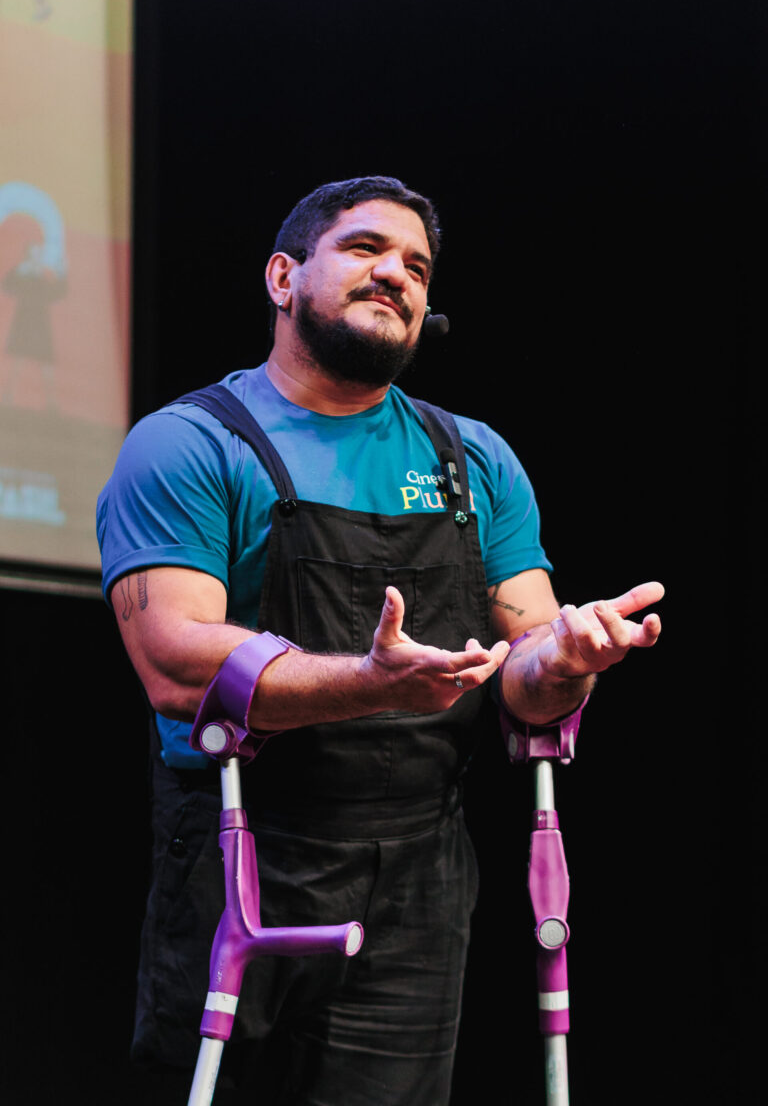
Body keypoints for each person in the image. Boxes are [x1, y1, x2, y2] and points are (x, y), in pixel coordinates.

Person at [97, 176, 662, 1105]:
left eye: (418, 266)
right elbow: (175, 662)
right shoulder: (190, 444)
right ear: (284, 278)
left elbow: (526, 674)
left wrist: (567, 661)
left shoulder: (472, 460)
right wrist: (370, 681)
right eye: (365, 248)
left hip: (418, 880)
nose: (396, 273)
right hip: (247, 856)